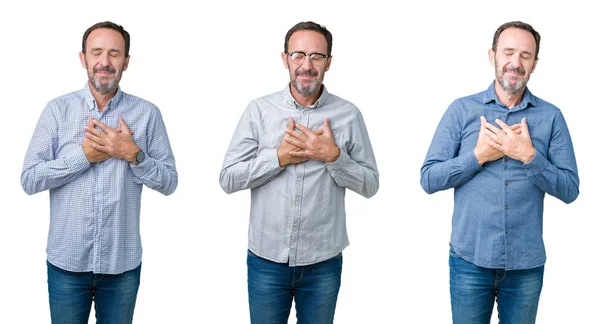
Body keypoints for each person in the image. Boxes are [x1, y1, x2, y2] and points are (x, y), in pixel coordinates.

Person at [220, 21, 379, 323]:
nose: (307, 65)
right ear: (285, 59)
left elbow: (371, 184)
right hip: (266, 261)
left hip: (323, 263)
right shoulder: (259, 111)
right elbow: (228, 178)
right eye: (298, 55)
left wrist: (334, 157)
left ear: (328, 63)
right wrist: (277, 158)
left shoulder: (349, 114)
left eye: (317, 56)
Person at [421, 21, 579, 323]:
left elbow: (570, 189)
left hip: (526, 266)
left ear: (534, 64)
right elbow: (429, 178)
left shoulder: (551, 117)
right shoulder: (461, 110)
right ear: (492, 55)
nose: (515, 63)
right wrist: (478, 156)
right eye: (508, 52)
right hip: (469, 261)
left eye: (525, 55)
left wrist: (529, 156)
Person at [21, 21, 177, 323]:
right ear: (83, 59)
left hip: (122, 266)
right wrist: (84, 157)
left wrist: (133, 154)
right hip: (67, 264)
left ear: (126, 62)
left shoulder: (147, 114)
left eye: (114, 54)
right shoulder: (57, 111)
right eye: (97, 53)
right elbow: (29, 178)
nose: (104, 62)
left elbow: (169, 181)